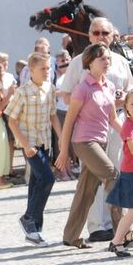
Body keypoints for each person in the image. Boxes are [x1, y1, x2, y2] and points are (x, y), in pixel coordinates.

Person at [58, 16, 133, 243]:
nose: (106, 62)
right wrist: (63, 151)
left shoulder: (110, 81)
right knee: (113, 176)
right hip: (85, 139)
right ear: (90, 62)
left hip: (107, 133)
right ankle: (119, 232)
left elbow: (114, 116)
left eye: (105, 33)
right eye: (96, 33)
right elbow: (69, 117)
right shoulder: (81, 83)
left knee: (86, 190)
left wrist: (129, 137)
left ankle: (70, 236)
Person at [5, 52, 62, 247]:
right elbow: (11, 120)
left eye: (48, 68)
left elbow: (53, 116)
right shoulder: (22, 92)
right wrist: (25, 144)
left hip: (45, 142)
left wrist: (61, 138)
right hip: (29, 144)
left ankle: (34, 230)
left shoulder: (50, 88)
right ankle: (29, 218)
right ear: (31, 70)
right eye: (42, 68)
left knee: (36, 182)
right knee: (48, 178)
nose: (47, 72)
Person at [105, 88, 133, 257]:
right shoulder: (128, 126)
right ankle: (116, 241)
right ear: (125, 107)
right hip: (132, 175)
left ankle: (118, 241)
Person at [53, 51, 74, 181]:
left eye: (67, 59)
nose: (65, 62)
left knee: (71, 142)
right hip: (59, 111)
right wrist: (63, 92)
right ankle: (62, 171)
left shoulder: (73, 74)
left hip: (72, 111)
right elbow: (51, 92)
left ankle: (69, 169)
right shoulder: (54, 76)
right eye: (62, 60)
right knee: (61, 141)